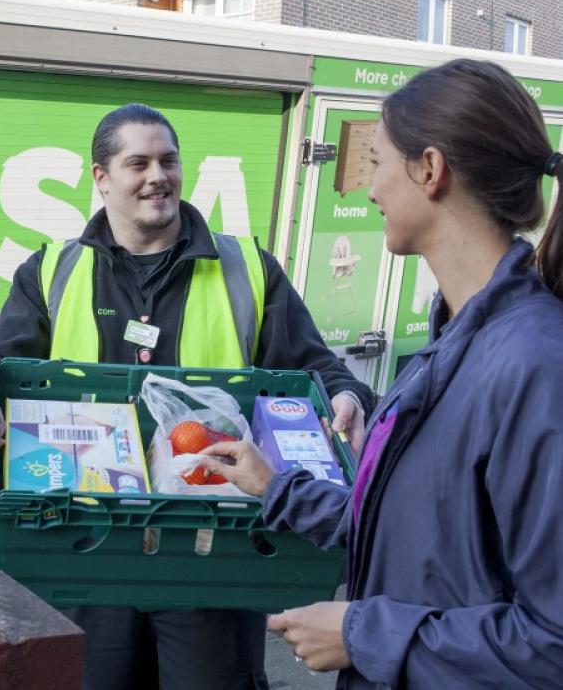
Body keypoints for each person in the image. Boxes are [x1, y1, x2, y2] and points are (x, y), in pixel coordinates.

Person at [0, 103, 375, 690]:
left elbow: (315, 367)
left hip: (212, 551)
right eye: (137, 162)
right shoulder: (53, 271)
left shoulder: (247, 267)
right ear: (101, 177)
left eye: (168, 161)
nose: (157, 176)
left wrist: (347, 394)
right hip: (89, 545)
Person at [200, 59, 563, 689]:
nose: (368, 189)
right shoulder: (453, 344)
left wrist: (359, 633)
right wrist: (277, 487)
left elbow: (553, 643)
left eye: (377, 163)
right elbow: (417, 539)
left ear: (430, 170)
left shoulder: (536, 365)